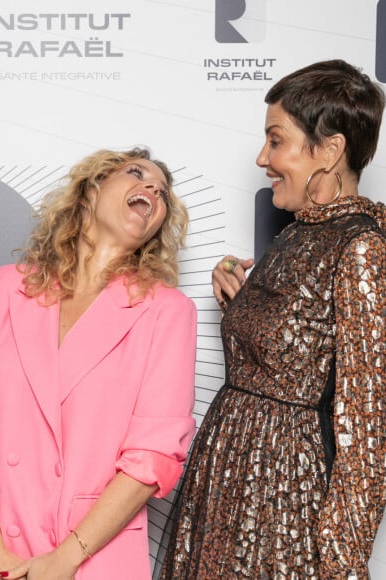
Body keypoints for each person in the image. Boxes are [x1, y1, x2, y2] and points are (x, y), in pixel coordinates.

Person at [158, 59, 385, 579]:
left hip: (284, 503)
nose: (263, 157)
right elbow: (292, 349)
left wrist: (342, 567)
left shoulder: (363, 248)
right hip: (231, 484)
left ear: (330, 150)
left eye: (276, 140)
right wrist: (238, 300)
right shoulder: (294, 234)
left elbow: (367, 431)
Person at [0, 147, 197, 580]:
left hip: (92, 558)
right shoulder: (3, 289)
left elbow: (152, 457)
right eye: (136, 174)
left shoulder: (168, 312)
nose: (153, 189)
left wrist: (66, 558)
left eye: (163, 192)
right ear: (90, 192)